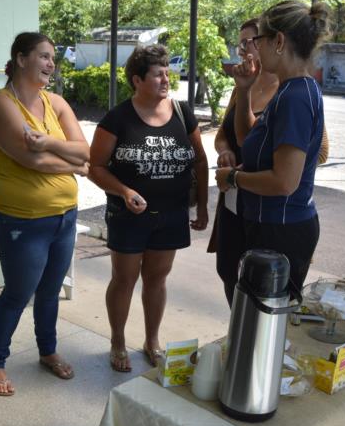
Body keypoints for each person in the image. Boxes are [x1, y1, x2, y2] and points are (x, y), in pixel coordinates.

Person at [88, 44, 209, 373]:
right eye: (158, 74)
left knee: (157, 279)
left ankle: (151, 341)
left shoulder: (183, 113)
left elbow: (199, 159)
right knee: (124, 279)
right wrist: (124, 191)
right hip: (129, 215)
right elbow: (95, 167)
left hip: (171, 213)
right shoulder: (117, 118)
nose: (166, 79)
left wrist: (203, 208)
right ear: (137, 80)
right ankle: (117, 340)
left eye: (168, 72)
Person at [0, 32, 89, 396]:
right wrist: (72, 165)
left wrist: (52, 145)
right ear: (21, 58)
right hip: (22, 221)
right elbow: (29, 158)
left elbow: (84, 152)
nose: (50, 64)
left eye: (52, 58)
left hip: (64, 217)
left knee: (49, 292)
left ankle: (48, 351)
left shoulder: (56, 103)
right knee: (17, 292)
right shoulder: (1, 104)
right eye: (43, 56)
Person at [209, 19, 330, 306]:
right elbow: (245, 138)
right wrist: (245, 90)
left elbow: (285, 181)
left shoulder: (295, 96)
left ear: (277, 41)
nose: (248, 50)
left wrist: (234, 178)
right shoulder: (291, 91)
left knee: (263, 324)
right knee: (248, 311)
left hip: (280, 226)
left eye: (255, 41)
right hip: (258, 218)